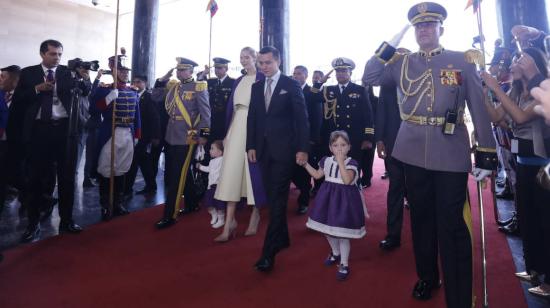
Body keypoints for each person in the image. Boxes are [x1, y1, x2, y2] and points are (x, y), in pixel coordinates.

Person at [363, 3, 497, 307]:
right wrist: (392, 41)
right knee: (421, 220)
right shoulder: (401, 62)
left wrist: (487, 152)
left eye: (429, 25)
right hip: (411, 151)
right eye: (418, 26)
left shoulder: (461, 61)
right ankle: (427, 276)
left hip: (450, 153)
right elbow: (369, 76)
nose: (424, 30)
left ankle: (459, 293)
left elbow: (477, 107)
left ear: (440, 29)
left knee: (452, 224)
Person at [481, 47, 550, 298]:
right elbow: (498, 116)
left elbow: (519, 117)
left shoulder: (541, 91)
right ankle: (533, 268)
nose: (513, 62)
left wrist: (496, 88)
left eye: (520, 58)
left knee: (545, 222)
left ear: (533, 62)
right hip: (523, 162)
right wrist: (486, 93)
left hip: (542, 167)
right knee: (528, 219)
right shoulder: (516, 90)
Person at [14, 39, 90, 242]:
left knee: (67, 178)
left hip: (65, 132)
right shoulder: (28, 73)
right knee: (36, 179)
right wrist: (37, 89)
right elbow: (19, 99)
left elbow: (85, 91)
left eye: (59, 54)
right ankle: (33, 223)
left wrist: (84, 78)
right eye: (53, 54)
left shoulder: (67, 72)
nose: (57, 58)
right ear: (42, 54)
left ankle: (67, 220)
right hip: (39, 132)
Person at [247, 46, 309, 272]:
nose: (264, 67)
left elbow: (302, 120)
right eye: (261, 63)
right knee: (273, 198)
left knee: (278, 200)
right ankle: (283, 238)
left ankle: (268, 252)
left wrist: (303, 149)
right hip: (262, 152)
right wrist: (250, 145)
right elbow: (252, 118)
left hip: (285, 152)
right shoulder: (256, 87)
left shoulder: (290, 85)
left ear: (278, 62)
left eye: (268, 63)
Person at [152, 57, 210, 229]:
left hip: (188, 136)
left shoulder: (199, 87)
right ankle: (192, 204)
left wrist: (204, 135)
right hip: (171, 135)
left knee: (177, 175)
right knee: (182, 170)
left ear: (191, 71)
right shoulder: (174, 86)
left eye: (183, 70)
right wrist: (162, 80)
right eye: (178, 70)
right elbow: (155, 98)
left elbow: (206, 113)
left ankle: (170, 214)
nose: (179, 73)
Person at [214, 47, 265, 242]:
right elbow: (232, 111)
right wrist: (227, 134)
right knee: (231, 173)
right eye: (241, 57)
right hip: (236, 128)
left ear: (255, 58)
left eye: (247, 57)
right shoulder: (238, 81)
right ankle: (229, 224)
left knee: (254, 173)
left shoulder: (262, 79)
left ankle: (256, 214)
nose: (243, 60)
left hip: (254, 130)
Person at [301, 130, 366, 281]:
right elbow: (317, 175)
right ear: (330, 148)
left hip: (344, 203)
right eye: (335, 145)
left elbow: (347, 180)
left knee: (342, 234)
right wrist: (305, 165)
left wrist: (341, 161)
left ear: (349, 147)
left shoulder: (352, 163)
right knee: (327, 231)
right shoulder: (326, 161)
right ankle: (335, 252)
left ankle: (344, 263)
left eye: (343, 145)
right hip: (327, 200)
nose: (339, 149)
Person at [91, 52, 141, 221]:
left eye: (126, 71)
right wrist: (108, 99)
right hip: (110, 133)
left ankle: (118, 203)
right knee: (106, 169)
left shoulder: (133, 91)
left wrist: (137, 134)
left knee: (122, 168)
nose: (125, 73)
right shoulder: (104, 90)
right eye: (121, 70)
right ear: (113, 70)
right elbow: (94, 109)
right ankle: (105, 205)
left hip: (127, 132)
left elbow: (137, 115)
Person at [317, 57, 374, 178]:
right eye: (338, 71)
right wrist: (319, 83)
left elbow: (368, 116)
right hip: (334, 139)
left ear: (350, 73)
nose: (340, 74)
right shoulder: (328, 90)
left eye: (344, 71)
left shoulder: (360, 90)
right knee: (335, 171)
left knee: (352, 171)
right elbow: (311, 97)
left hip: (353, 138)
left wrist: (368, 138)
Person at [375, 73, 406, 251]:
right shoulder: (387, 86)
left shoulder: (420, 81)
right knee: (395, 190)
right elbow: (381, 112)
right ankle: (393, 235)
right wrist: (379, 139)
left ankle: (424, 234)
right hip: (393, 145)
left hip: (419, 148)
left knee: (419, 194)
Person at [291, 65, 323, 214]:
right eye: (294, 74)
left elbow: (317, 119)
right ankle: (306, 189)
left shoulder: (312, 92)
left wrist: (312, 139)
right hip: (291, 138)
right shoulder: (290, 90)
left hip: (307, 139)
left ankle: (303, 201)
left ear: (305, 75)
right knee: (294, 171)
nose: (295, 76)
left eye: (299, 74)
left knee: (305, 171)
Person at [124, 75, 161, 197]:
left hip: (144, 135)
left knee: (135, 162)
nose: (135, 84)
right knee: (143, 162)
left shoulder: (149, 98)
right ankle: (151, 186)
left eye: (138, 82)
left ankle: (128, 190)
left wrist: (155, 136)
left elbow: (155, 118)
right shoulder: (131, 95)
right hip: (133, 134)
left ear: (145, 83)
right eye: (134, 81)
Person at [197, 57, 236, 145]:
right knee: (206, 147)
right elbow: (198, 87)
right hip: (208, 122)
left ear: (226, 69)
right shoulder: (210, 82)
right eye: (215, 68)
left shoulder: (233, 82)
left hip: (224, 123)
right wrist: (203, 74)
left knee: (221, 149)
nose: (217, 70)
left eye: (220, 68)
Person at [0, 65, 20, 214]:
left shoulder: (24, 98)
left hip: (15, 145)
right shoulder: (1, 94)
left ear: (15, 80)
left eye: (3, 76)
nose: (0, 79)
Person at [197, 140, 225, 228]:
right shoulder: (212, 161)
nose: (210, 150)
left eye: (212, 149)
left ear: (220, 152)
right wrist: (200, 167)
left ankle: (221, 220)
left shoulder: (222, 160)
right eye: (210, 148)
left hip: (218, 186)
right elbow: (209, 169)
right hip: (210, 186)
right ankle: (214, 214)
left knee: (219, 204)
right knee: (208, 203)